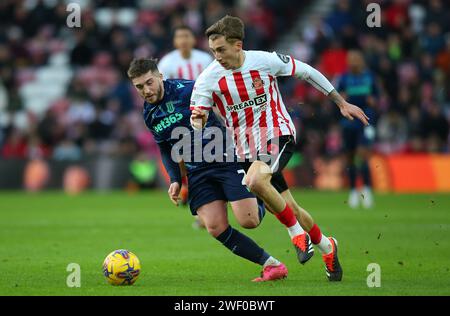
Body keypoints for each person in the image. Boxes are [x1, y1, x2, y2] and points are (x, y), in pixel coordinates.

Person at [190, 15, 369, 281]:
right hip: (247, 151)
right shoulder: (208, 78)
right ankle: (327, 246)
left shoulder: (264, 60)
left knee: (254, 181)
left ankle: (296, 234)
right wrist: (198, 120)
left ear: (238, 45)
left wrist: (341, 103)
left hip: (277, 134)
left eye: (221, 50)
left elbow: (307, 71)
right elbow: (197, 115)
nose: (216, 56)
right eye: (213, 50)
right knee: (290, 208)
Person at [127, 57, 287, 282]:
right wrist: (175, 179)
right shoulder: (149, 114)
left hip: (226, 160)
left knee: (249, 221)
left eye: (149, 82)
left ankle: (261, 190)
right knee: (215, 227)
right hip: (197, 172)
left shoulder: (190, 89)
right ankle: (272, 265)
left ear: (160, 76)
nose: (146, 90)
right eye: (139, 87)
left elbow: (225, 106)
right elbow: (164, 147)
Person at [158, 25, 214, 227]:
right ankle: (189, 189)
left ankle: (205, 208)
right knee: (185, 159)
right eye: (179, 36)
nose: (183, 40)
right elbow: (163, 91)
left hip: (205, 113)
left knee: (206, 157)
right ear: (175, 41)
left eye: (186, 36)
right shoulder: (167, 62)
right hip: (181, 116)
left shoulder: (205, 59)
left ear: (193, 39)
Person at [337, 50, 378, 209]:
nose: (353, 62)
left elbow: (377, 97)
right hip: (349, 122)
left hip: (366, 121)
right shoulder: (344, 78)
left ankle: (367, 191)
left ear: (361, 61)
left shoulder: (370, 77)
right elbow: (338, 99)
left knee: (363, 155)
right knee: (350, 157)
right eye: (351, 59)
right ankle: (354, 191)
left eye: (356, 59)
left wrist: (373, 101)